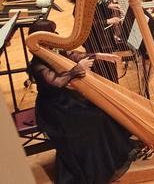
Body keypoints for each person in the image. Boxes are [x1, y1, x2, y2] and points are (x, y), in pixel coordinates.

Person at [27, 19, 137, 184]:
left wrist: (98, 55)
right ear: (43, 38)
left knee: (102, 112)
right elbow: (56, 82)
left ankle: (109, 157)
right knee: (96, 119)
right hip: (53, 109)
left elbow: (71, 54)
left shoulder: (53, 50)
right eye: (52, 33)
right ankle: (95, 166)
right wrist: (77, 68)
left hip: (65, 100)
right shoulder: (36, 64)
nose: (57, 35)